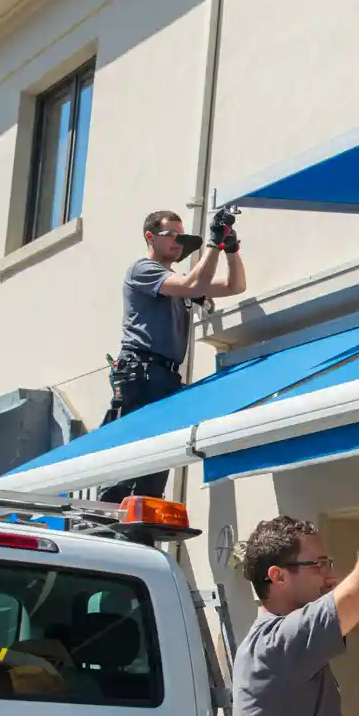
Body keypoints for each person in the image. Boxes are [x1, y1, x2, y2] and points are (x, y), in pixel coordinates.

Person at [228, 417, 359, 716]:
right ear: (278, 577)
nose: (332, 577)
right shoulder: (279, 643)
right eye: (319, 565)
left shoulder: (271, 644)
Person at [97, 208, 246, 503]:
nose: (179, 241)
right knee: (130, 466)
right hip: (143, 371)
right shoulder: (142, 269)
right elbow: (194, 284)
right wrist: (215, 242)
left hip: (163, 376)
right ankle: (114, 516)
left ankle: (139, 524)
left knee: (155, 466)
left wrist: (231, 248)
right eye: (172, 235)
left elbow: (235, 285)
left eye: (182, 235)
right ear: (150, 237)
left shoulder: (177, 284)